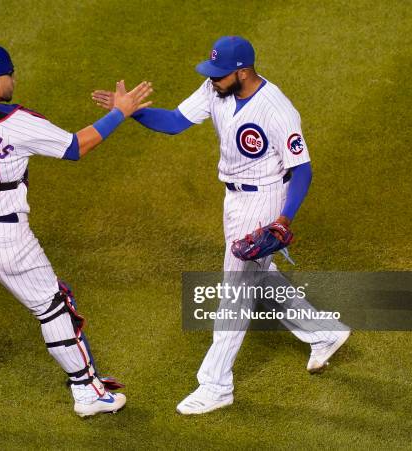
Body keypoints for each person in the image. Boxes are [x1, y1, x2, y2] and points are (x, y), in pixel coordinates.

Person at [0, 44, 152, 436]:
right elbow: (75, 147)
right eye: (11, 75)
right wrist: (120, 112)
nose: (14, 81)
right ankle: (87, 393)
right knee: (54, 309)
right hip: (6, 237)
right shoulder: (16, 121)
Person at [92, 36, 349, 415]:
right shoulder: (216, 87)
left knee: (235, 291)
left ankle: (215, 385)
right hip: (234, 199)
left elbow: (303, 169)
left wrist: (283, 218)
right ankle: (326, 333)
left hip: (264, 200)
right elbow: (176, 122)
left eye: (219, 73)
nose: (212, 79)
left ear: (242, 72)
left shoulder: (276, 109)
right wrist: (129, 112)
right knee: (257, 275)